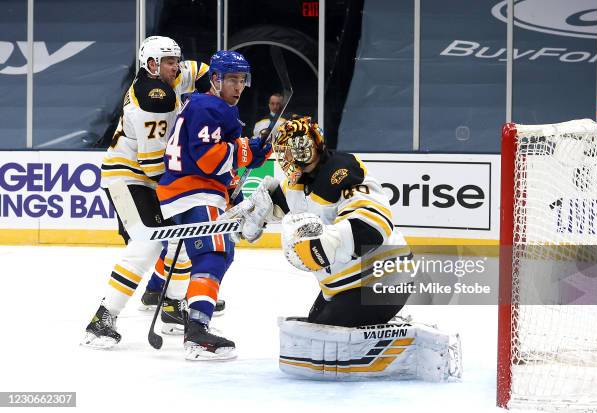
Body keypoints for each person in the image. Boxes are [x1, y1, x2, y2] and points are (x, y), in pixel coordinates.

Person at [221, 114, 412, 327]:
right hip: (344, 285)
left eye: (286, 152)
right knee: (315, 327)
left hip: (382, 282)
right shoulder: (298, 183)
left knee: (324, 333)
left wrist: (329, 242)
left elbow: (373, 225)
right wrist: (255, 213)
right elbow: (279, 203)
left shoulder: (342, 172)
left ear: (304, 149)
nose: (284, 159)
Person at [82, 36, 210, 348]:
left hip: (142, 178)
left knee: (181, 235)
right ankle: (103, 317)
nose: (175, 66)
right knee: (148, 243)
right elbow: (153, 166)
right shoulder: (155, 96)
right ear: (151, 64)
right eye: (168, 61)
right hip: (128, 178)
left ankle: (170, 305)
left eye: (175, 60)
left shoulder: (171, 75)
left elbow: (203, 71)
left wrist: (212, 100)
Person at [156, 50, 271, 360]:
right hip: (194, 192)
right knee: (214, 253)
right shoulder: (211, 107)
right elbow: (209, 161)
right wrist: (246, 150)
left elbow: (224, 155)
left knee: (218, 253)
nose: (238, 86)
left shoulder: (204, 105)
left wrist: (251, 150)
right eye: (231, 79)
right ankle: (196, 332)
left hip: (185, 192)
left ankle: (189, 318)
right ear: (216, 79)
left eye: (242, 80)